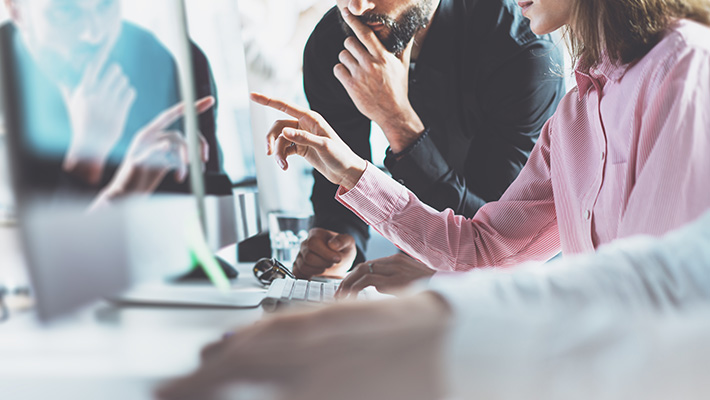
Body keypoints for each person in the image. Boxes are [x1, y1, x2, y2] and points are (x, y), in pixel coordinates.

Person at [253, 0, 710, 293]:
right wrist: (351, 172)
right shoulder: (576, 113)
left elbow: (659, 293)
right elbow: (485, 249)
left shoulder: (685, 66)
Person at [156, 200, 710, 400]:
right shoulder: (578, 106)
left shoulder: (686, 70)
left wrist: (472, 349)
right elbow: (673, 271)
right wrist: (445, 317)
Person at [295, 0, 565, 279]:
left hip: (523, 282)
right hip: (411, 260)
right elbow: (337, 173)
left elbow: (496, 236)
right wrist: (337, 242)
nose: (359, 6)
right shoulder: (333, 42)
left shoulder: (522, 51)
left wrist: (397, 120)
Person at [1, 0, 222, 199]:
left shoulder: (171, 62)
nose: (93, 33)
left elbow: (213, 208)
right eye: (65, 11)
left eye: (106, 4)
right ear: (16, 11)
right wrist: (86, 157)